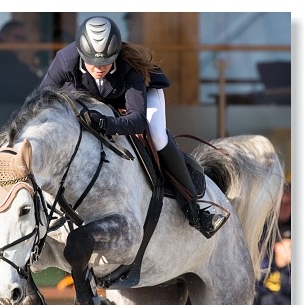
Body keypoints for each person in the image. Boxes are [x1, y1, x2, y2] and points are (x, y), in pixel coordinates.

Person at [36, 15, 226, 238]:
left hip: (136, 99)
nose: (99, 68)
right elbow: (41, 101)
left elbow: (137, 120)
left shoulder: (129, 67)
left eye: (106, 62)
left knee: (157, 136)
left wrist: (106, 123)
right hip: (90, 100)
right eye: (92, 62)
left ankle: (195, 209)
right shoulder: (66, 59)